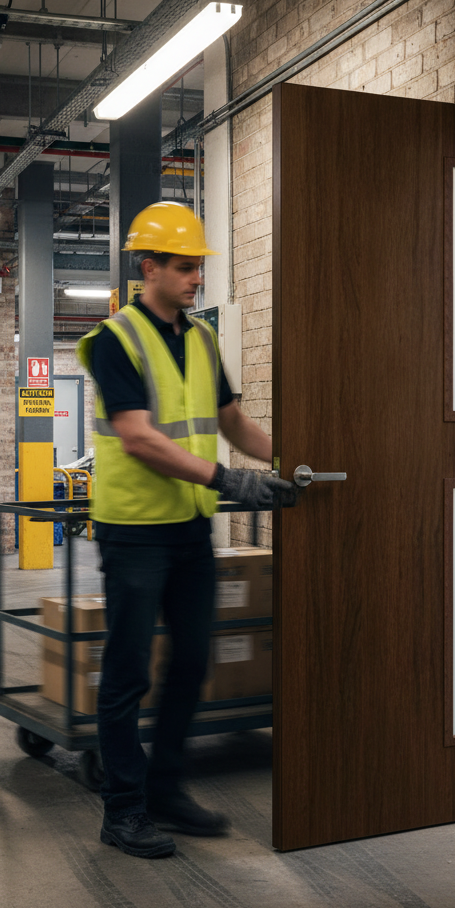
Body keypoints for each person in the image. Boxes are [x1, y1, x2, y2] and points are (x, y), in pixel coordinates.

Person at [76, 201, 296, 859]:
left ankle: (166, 789)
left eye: (199, 267)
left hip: (188, 533)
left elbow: (231, 421)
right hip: (134, 530)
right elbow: (139, 438)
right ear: (150, 267)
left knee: (193, 661)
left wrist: (288, 464)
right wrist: (230, 482)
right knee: (127, 673)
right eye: (184, 267)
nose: (196, 277)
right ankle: (123, 808)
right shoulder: (116, 339)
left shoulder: (200, 339)